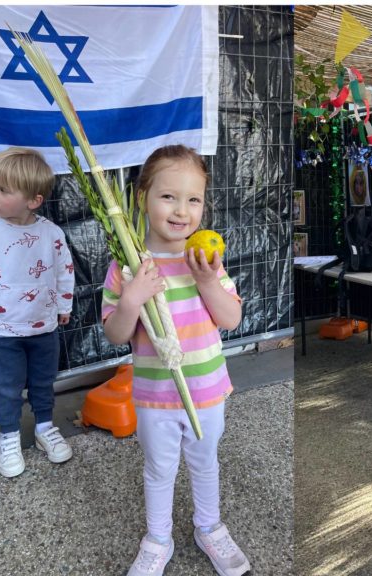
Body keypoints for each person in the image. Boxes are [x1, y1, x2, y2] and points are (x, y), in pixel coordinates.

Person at [101, 145, 248, 576]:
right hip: (154, 395)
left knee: (205, 461)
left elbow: (231, 318)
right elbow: (115, 333)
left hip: (206, 390)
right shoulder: (129, 266)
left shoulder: (204, 259)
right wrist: (131, 300)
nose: (182, 210)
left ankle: (209, 527)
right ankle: (158, 539)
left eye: (194, 199)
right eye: (169, 196)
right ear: (142, 195)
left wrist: (207, 281)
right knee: (159, 467)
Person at [0, 147, 75, 478]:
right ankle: (9, 436)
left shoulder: (52, 233)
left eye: (4, 189)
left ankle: (45, 427)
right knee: (5, 387)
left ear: (33, 200)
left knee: (44, 381)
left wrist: (64, 304)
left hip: (43, 327)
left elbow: (64, 271)